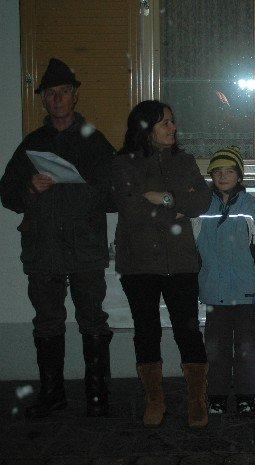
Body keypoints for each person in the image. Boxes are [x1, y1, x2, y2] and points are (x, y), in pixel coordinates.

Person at [0, 58, 115, 418]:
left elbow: (115, 195)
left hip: (85, 246)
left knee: (93, 319)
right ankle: (53, 395)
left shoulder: (95, 141)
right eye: (51, 93)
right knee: (47, 321)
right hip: (43, 247)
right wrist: (30, 188)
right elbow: (7, 195)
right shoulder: (32, 143)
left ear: (75, 96)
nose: (57, 99)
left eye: (63, 92)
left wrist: (82, 185)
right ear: (43, 99)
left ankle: (97, 396)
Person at [110, 100, 211, 428]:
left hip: (180, 260)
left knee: (188, 330)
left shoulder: (185, 161)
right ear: (146, 127)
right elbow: (128, 208)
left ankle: (197, 400)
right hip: (139, 261)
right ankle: (154, 399)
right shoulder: (124, 163)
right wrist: (174, 208)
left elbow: (201, 200)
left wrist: (162, 198)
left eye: (173, 121)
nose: (173, 127)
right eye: (165, 122)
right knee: (146, 330)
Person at [196, 146, 255, 415]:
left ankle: (247, 394)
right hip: (214, 293)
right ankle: (217, 395)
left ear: (239, 175)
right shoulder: (201, 207)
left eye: (229, 171)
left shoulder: (253, 208)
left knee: (247, 347)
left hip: (247, 293)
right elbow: (191, 246)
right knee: (215, 348)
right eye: (217, 172)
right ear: (211, 176)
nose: (223, 176)